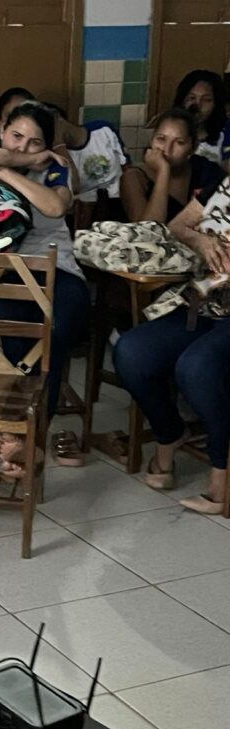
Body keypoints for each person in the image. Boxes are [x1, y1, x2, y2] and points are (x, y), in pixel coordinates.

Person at [0, 100, 90, 475]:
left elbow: (53, 208)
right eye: (16, 135)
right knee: (12, 327)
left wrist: (10, 171)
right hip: (5, 272)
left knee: (57, 329)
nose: (22, 145)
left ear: (47, 145)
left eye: (34, 142)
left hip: (58, 270)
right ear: (1, 130)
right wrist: (16, 160)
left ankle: (26, 436)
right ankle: (26, 436)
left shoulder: (54, 169)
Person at [114, 170, 230, 514]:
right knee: (132, 353)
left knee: (196, 368)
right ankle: (169, 433)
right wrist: (204, 242)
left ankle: (220, 473)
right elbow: (177, 227)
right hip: (204, 302)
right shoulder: (222, 182)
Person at [120, 107, 224, 223]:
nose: (167, 150)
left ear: (192, 148)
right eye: (161, 139)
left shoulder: (205, 170)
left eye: (179, 142)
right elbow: (147, 231)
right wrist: (163, 171)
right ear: (152, 141)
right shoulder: (134, 177)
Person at [173, 69, 230, 171]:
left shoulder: (226, 132)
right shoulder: (169, 128)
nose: (197, 105)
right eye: (192, 98)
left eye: (206, 100)